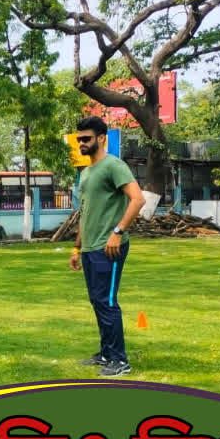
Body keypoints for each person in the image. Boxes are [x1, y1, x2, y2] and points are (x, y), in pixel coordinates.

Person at [71, 116, 146, 377]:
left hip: (109, 246)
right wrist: (77, 248)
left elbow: (137, 199)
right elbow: (85, 212)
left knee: (107, 301)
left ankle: (119, 360)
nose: (81, 143)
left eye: (86, 138)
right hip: (91, 247)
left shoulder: (114, 166)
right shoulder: (87, 172)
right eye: (78, 138)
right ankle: (105, 353)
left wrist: (118, 231)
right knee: (97, 301)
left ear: (101, 138)